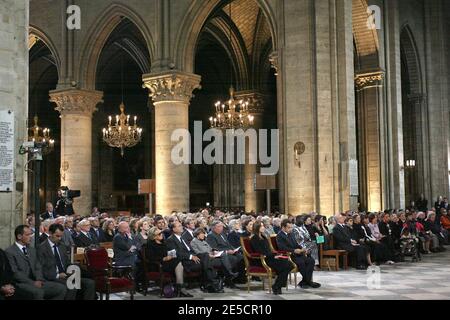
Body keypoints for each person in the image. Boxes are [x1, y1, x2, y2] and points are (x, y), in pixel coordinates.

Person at [5, 225, 67, 300]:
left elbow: (38, 267)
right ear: (19, 236)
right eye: (28, 235)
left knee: (61, 288)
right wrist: (32, 283)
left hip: (37, 281)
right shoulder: (10, 252)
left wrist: (39, 279)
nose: (31, 237)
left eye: (31, 234)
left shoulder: (32, 250)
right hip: (22, 283)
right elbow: (15, 273)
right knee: (38, 292)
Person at [37, 224, 95, 300]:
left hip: (66, 275)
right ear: (50, 233)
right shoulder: (42, 248)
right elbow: (41, 269)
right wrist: (57, 275)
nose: (59, 238)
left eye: (61, 236)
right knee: (72, 286)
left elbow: (67, 263)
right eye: (57, 236)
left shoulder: (62, 246)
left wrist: (73, 269)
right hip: (52, 277)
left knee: (89, 283)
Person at [165, 221, 218, 292]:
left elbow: (190, 249)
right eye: (179, 226)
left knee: (205, 255)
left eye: (181, 225)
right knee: (206, 262)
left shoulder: (182, 238)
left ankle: (209, 284)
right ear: (174, 229)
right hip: (184, 261)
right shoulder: (170, 240)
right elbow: (176, 253)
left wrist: (195, 255)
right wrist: (191, 257)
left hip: (192, 256)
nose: (182, 227)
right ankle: (210, 283)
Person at [250, 221, 293, 295]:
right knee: (286, 265)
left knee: (289, 264)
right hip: (262, 260)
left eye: (263, 226)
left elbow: (269, 250)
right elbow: (260, 251)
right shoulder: (254, 238)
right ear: (257, 228)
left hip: (269, 257)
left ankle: (277, 286)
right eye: (261, 226)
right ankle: (277, 286)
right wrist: (273, 256)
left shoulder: (264, 237)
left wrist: (276, 255)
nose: (263, 227)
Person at [276, 219, 319, 289]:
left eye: (291, 227)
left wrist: (303, 249)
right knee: (301, 262)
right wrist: (294, 250)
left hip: (298, 254)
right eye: (288, 227)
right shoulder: (279, 235)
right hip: (290, 256)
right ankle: (308, 282)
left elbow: (296, 244)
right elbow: (282, 248)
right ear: (283, 227)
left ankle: (305, 282)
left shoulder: (291, 234)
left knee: (311, 261)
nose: (290, 229)